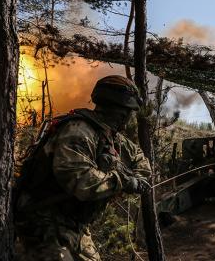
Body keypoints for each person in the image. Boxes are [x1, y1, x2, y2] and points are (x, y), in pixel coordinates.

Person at [15, 75, 151, 261]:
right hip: (45, 223)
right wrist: (124, 181)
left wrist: (138, 178)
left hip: (73, 224)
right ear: (120, 111)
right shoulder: (78, 130)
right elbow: (81, 182)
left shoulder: (110, 136)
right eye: (128, 112)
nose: (128, 118)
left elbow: (140, 160)